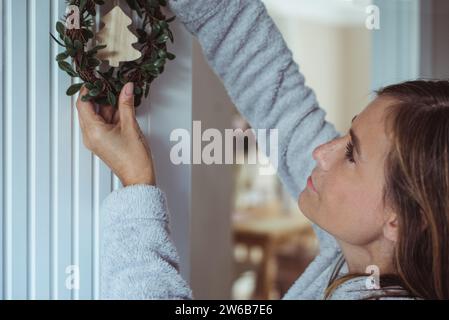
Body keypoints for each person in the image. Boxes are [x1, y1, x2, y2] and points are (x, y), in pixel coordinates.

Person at [76, 0, 449, 299]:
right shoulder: (357, 261)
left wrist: (136, 184)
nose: (322, 151)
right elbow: (274, 89)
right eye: (345, 136)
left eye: (351, 153)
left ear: (399, 219)